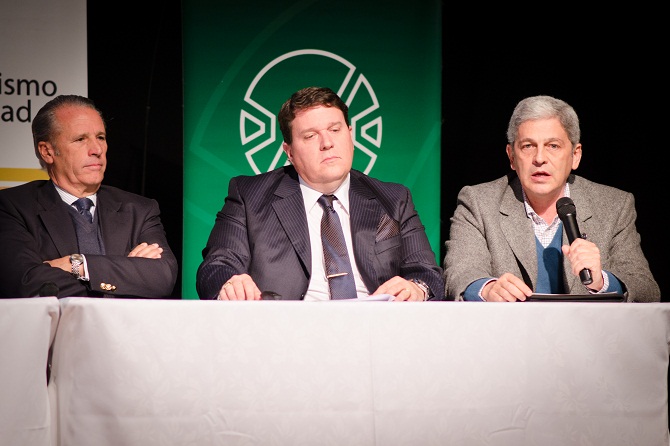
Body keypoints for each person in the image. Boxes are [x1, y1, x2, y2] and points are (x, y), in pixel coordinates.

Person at [197, 86, 444, 301]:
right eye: (310, 135)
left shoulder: (393, 199)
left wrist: (416, 288)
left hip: (375, 332)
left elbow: (427, 274)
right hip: (287, 333)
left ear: (350, 134)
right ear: (289, 152)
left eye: (335, 130)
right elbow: (217, 266)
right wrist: (230, 283)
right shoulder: (249, 196)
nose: (327, 143)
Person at [444, 95, 660, 302]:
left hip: (590, 336)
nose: (539, 158)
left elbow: (646, 288)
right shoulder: (478, 202)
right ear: (511, 157)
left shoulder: (614, 206)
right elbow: (460, 275)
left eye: (553, 146)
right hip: (509, 335)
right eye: (528, 146)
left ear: (575, 155)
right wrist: (488, 289)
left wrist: (601, 281)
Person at [0, 95, 178, 298]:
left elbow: (162, 277)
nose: (97, 150)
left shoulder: (139, 209)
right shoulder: (12, 207)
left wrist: (76, 265)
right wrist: (125, 277)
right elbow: (27, 282)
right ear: (47, 152)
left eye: (100, 137)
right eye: (80, 139)